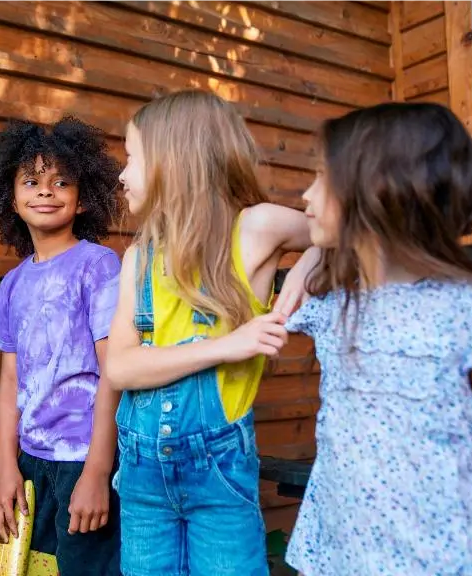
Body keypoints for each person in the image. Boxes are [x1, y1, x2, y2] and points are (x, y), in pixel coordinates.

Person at [282, 102, 472, 576]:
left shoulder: (470, 312)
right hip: (343, 558)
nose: (305, 194)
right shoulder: (334, 308)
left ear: (378, 191)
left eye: (322, 177)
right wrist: (309, 257)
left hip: (441, 560)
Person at [101, 89, 320, 575]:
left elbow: (347, 225)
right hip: (141, 480)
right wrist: (224, 346)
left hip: (218, 479)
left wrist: (309, 264)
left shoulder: (255, 229)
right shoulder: (138, 259)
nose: (121, 174)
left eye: (131, 157)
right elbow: (119, 366)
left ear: (173, 161)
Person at [0, 117, 126, 575]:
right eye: (31, 181)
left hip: (85, 458)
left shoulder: (99, 265)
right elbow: (9, 381)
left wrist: (99, 472)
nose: (46, 191)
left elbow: (114, 373)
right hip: (30, 463)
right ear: (11, 197)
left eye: (61, 181)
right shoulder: (13, 282)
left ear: (84, 199)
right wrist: (5, 469)